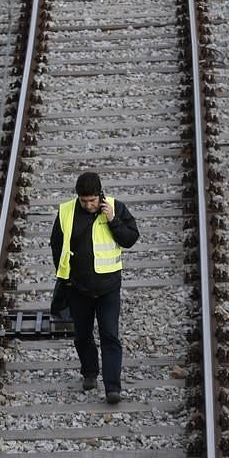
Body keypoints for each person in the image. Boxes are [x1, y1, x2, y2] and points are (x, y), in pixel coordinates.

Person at [50, 171, 139, 403]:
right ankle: (89, 372)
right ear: (78, 197)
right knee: (82, 336)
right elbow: (56, 245)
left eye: (92, 200)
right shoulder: (66, 212)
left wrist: (113, 221)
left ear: (100, 195)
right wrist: (65, 277)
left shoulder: (115, 208)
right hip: (78, 288)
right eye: (84, 201)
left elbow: (130, 239)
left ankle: (112, 388)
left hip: (109, 287)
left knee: (110, 336)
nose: (88, 205)